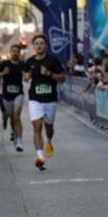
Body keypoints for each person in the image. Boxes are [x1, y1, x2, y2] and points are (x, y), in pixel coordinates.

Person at [23, 34, 66, 171]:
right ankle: (40, 157)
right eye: (37, 44)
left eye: (42, 43)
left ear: (46, 46)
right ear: (34, 46)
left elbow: (63, 78)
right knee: (37, 127)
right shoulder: (29, 62)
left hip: (50, 99)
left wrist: (50, 74)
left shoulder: (53, 61)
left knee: (49, 128)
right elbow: (25, 77)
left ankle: (49, 141)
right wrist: (26, 77)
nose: (39, 46)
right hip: (35, 99)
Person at [0, 43, 27, 152]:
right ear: (10, 52)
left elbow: (27, 76)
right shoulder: (4, 64)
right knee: (12, 117)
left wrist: (26, 76)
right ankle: (14, 133)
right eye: (13, 51)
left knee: (16, 116)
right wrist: (2, 73)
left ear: (20, 53)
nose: (15, 53)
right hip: (6, 95)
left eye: (17, 51)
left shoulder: (22, 64)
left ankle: (19, 141)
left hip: (18, 94)